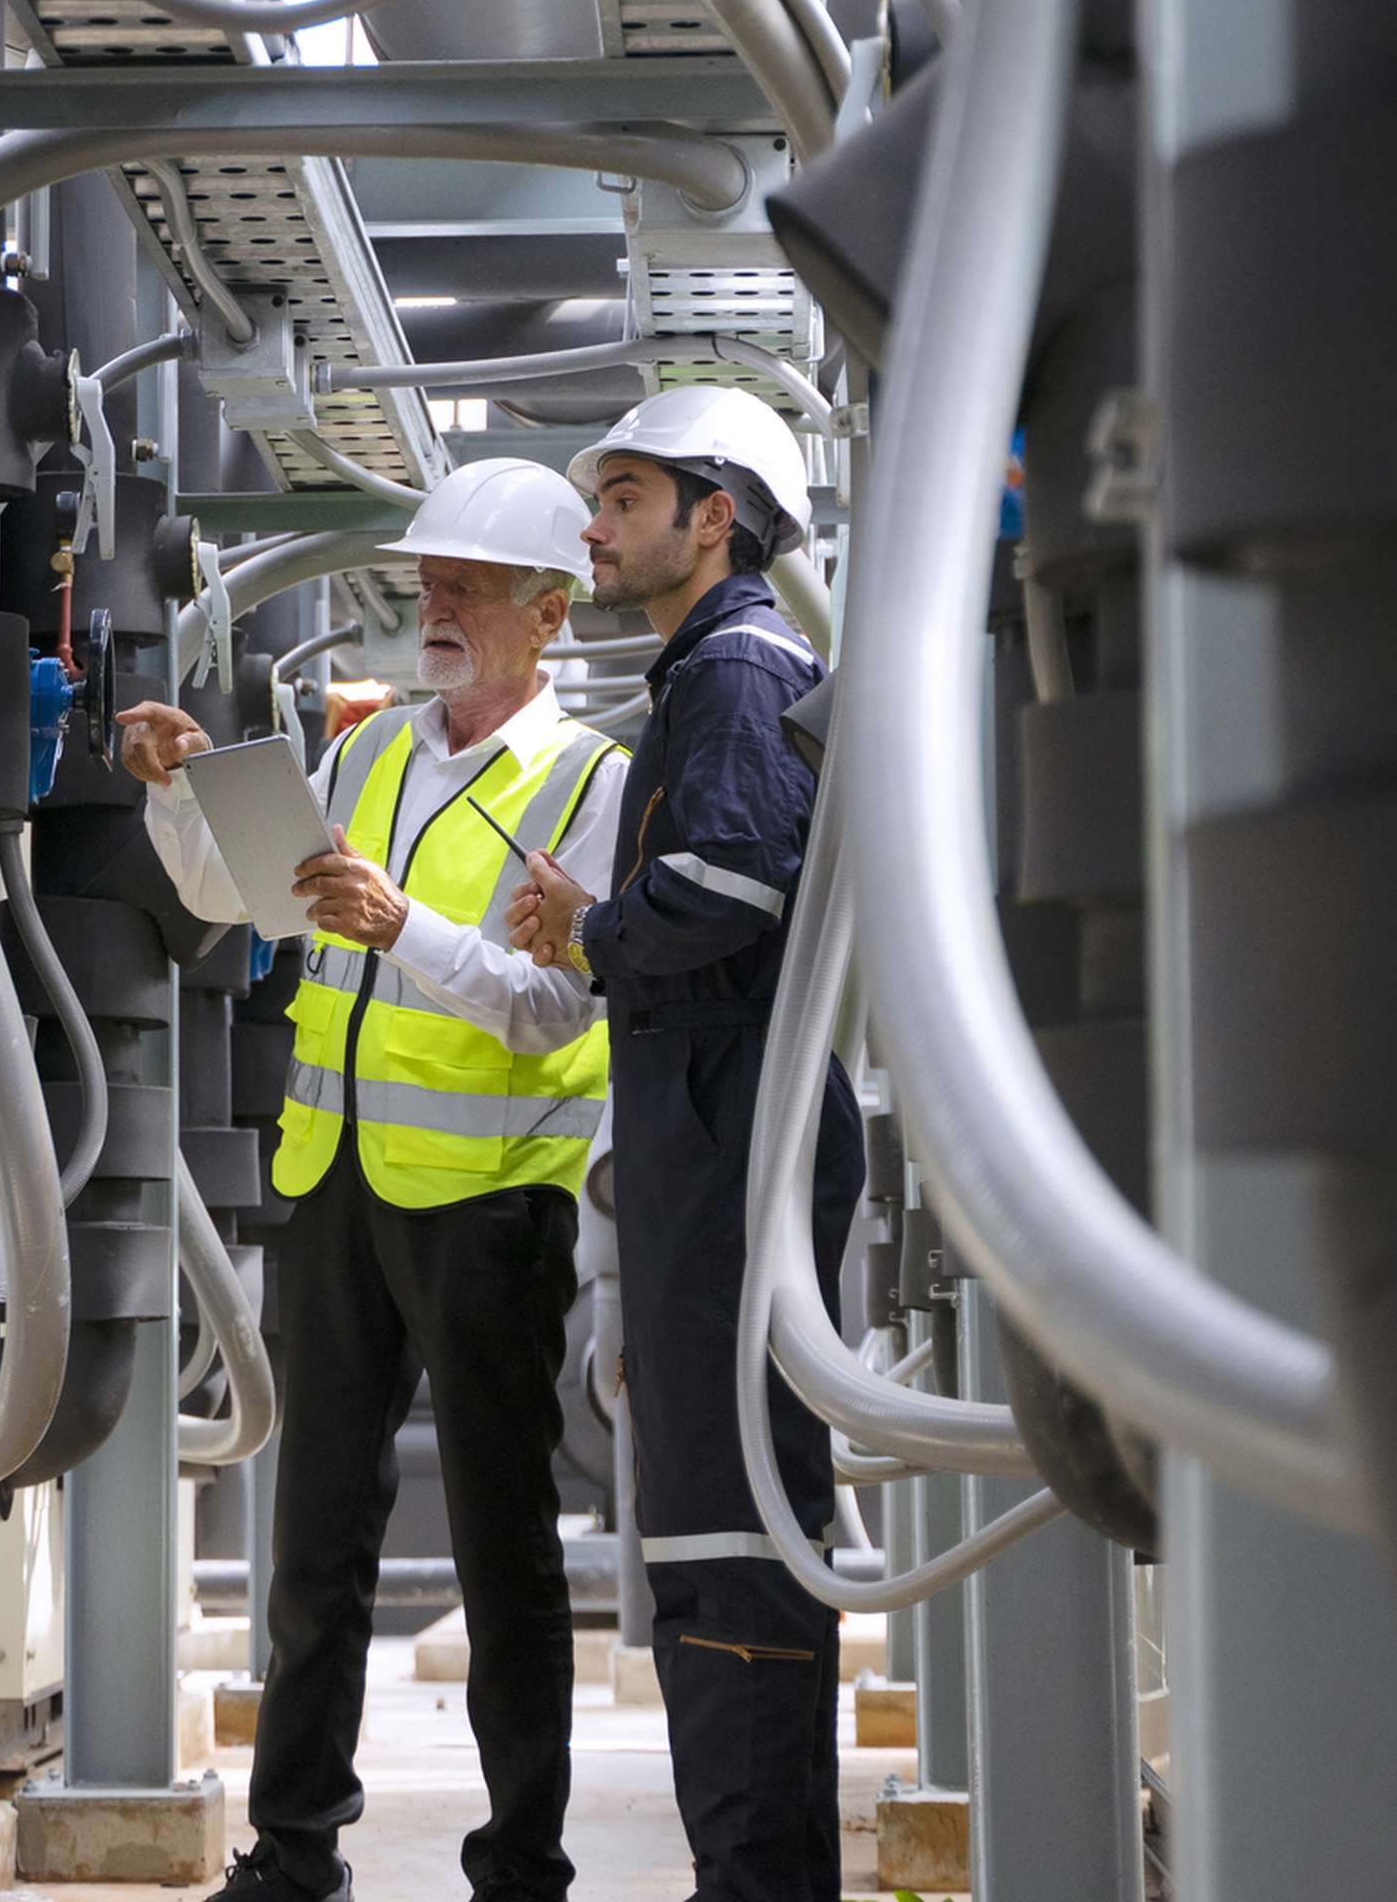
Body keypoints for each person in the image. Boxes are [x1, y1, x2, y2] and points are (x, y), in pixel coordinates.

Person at [117, 458, 631, 1902]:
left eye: (472, 584)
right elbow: (242, 897)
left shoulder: (592, 784)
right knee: (315, 1542)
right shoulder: (369, 754)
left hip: (489, 1209)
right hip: (336, 1184)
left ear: (550, 613)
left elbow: (556, 1010)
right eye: (432, 579)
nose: (440, 604)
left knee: (505, 1551)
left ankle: (521, 1865)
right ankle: (293, 1856)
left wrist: (403, 928)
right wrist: (178, 796)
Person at [510, 387, 863, 1902]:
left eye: (630, 495)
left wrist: (587, 927)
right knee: (734, 1528)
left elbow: (725, 894)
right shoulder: (720, 675)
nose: (596, 524)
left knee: (728, 1532)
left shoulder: (730, 676)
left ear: (718, 518)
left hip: (729, 1145)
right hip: (711, 1142)